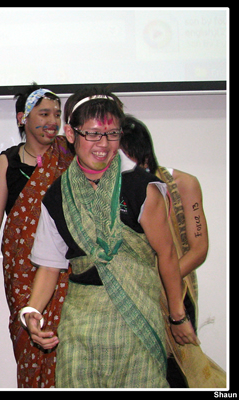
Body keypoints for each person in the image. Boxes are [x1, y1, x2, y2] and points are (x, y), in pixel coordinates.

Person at [21, 87, 198, 388]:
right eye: (92, 134)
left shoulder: (142, 188)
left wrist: (177, 316)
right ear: (71, 133)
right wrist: (32, 311)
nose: (103, 144)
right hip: (81, 324)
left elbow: (167, 255)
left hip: (136, 319)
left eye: (112, 134)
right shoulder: (58, 195)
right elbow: (50, 266)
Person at [0, 85, 73, 387]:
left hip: (66, 269)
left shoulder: (69, 156)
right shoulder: (8, 162)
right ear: (22, 118)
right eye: (44, 114)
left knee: (67, 346)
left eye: (57, 114)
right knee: (29, 337)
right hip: (22, 271)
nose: (53, 121)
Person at [121, 115, 226, 388]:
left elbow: (199, 249)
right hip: (131, 298)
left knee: (180, 373)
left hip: (175, 293)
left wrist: (161, 280)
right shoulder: (110, 188)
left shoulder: (183, 183)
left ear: (141, 154)